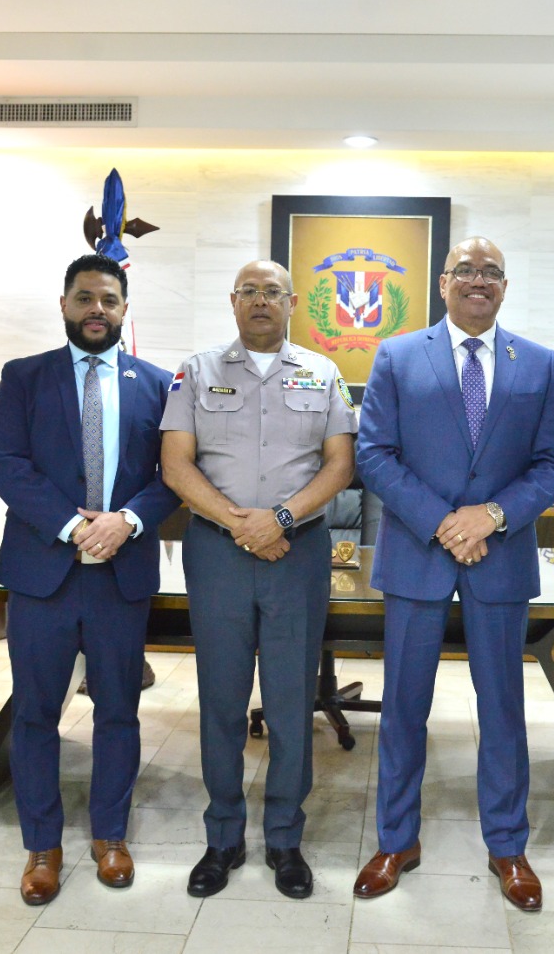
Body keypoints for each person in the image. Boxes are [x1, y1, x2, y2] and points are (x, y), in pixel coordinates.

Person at [352, 236, 554, 911]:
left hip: (499, 559)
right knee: (403, 708)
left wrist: (493, 516)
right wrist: (447, 520)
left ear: (504, 286)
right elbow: (374, 452)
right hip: (418, 554)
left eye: (491, 273)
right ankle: (396, 839)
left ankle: (508, 844)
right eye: (466, 271)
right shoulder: (396, 354)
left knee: (502, 708)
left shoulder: (537, 361)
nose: (479, 281)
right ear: (443, 282)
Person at [159, 260, 357, 900]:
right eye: (249, 291)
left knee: (292, 697)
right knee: (220, 695)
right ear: (233, 300)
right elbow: (175, 463)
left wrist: (278, 520)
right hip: (218, 551)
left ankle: (284, 838)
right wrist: (240, 524)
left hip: (297, 552)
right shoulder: (196, 370)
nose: (261, 301)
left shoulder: (324, 373)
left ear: (294, 302)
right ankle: (221, 837)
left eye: (273, 291)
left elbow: (340, 465)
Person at [0, 253, 180, 906]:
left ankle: (110, 834)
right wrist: (74, 526)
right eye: (86, 297)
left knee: (119, 712)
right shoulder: (24, 377)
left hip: (119, 576)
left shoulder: (158, 382)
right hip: (44, 573)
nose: (98, 309)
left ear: (125, 311)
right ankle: (41, 844)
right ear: (65, 304)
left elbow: (172, 475)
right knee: (37, 713)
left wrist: (124, 520)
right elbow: (7, 464)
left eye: (110, 300)